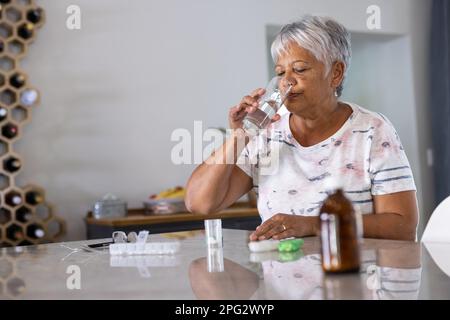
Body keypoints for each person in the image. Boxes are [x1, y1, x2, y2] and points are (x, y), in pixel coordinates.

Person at [185, 15, 418, 241]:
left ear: (335, 73)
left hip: (351, 275)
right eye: (279, 72)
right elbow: (200, 204)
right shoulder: (266, 133)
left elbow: (402, 225)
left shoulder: (372, 129)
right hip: (281, 277)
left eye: (299, 69)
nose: (287, 80)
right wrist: (240, 134)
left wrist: (313, 225)